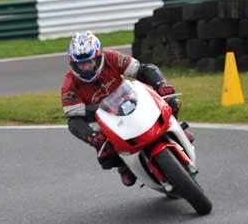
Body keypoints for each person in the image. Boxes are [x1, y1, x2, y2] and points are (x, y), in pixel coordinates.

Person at [61, 31, 183, 187]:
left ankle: (175, 128)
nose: (86, 68)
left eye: (90, 61)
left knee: (171, 101)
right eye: (81, 64)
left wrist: (161, 84)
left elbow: (143, 69)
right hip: (103, 117)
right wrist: (92, 137)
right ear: (73, 64)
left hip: (130, 99)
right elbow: (74, 121)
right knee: (106, 154)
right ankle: (125, 165)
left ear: (99, 57)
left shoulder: (112, 58)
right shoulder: (69, 85)